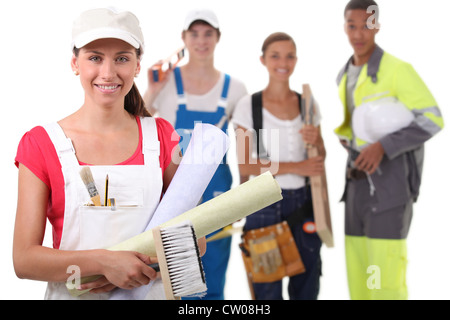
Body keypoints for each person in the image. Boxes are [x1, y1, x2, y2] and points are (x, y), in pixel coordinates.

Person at [12, 7, 206, 300]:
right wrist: (105, 263)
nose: (108, 72)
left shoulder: (161, 137)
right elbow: (24, 260)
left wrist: (129, 269)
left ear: (138, 66)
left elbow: (197, 237)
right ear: (75, 63)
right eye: (95, 58)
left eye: (122, 59)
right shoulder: (42, 143)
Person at [336, 0, 444, 300]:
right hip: (355, 191)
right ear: (344, 27)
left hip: (389, 192)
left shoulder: (398, 70)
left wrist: (383, 146)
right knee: (359, 282)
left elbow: (434, 119)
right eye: (352, 25)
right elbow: (354, 127)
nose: (359, 33)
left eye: (366, 25)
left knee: (383, 284)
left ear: (377, 26)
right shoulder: (343, 75)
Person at [143, 9, 247, 300]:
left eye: (208, 33)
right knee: (176, 277)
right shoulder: (166, 83)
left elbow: (246, 147)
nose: (201, 41)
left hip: (218, 196)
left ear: (218, 38)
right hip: (175, 196)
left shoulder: (236, 89)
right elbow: (137, 124)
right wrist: (151, 90)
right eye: (195, 33)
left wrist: (244, 199)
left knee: (213, 275)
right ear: (183, 39)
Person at [232, 32, 324, 300]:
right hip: (263, 205)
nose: (283, 62)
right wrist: (298, 166)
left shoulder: (307, 103)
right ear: (263, 60)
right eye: (275, 55)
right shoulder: (249, 105)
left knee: (307, 288)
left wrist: (316, 141)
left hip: (305, 205)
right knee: (266, 291)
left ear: (296, 60)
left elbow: (319, 160)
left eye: (289, 55)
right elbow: (246, 163)